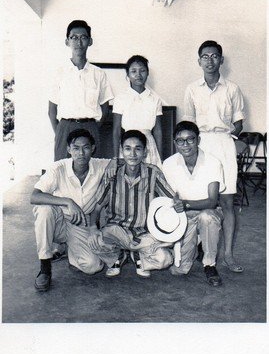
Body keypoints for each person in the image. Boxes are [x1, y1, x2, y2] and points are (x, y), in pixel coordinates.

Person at [183, 40, 245, 272]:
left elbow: (238, 123)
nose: (210, 60)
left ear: (221, 60)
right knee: (202, 197)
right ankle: (201, 248)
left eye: (214, 56)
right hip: (201, 144)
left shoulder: (232, 89)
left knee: (227, 201)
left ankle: (227, 254)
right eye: (205, 57)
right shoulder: (191, 88)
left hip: (224, 145)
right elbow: (188, 122)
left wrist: (228, 138)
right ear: (199, 61)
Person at [30, 129, 117, 292]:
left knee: (92, 266)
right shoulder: (58, 168)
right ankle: (45, 267)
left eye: (85, 147)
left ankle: (68, 248)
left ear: (93, 148)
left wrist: (115, 160)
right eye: (76, 148)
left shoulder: (99, 165)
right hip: (57, 222)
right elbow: (34, 196)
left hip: (80, 224)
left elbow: (125, 162)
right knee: (44, 210)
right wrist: (67, 202)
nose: (81, 153)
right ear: (69, 150)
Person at [88, 130, 182, 278]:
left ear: (145, 152)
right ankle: (118, 257)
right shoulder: (112, 174)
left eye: (138, 148)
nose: (132, 154)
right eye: (127, 148)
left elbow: (171, 199)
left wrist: (177, 202)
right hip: (116, 231)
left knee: (165, 259)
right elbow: (97, 206)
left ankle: (138, 257)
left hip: (144, 233)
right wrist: (93, 227)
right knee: (94, 242)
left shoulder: (153, 173)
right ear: (121, 151)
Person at [163, 121, 224, 287]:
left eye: (190, 139)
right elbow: (169, 196)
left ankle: (209, 264)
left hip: (208, 211)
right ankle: (197, 248)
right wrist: (178, 205)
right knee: (180, 270)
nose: (185, 144)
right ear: (175, 143)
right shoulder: (168, 164)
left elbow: (212, 201)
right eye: (180, 141)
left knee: (207, 218)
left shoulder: (213, 162)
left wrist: (186, 204)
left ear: (198, 140)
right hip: (184, 217)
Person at [49, 20, 114, 161]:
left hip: (90, 127)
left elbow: (105, 108)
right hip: (65, 128)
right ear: (67, 41)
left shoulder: (99, 74)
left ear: (90, 41)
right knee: (63, 172)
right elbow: (51, 110)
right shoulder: (59, 73)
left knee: (93, 173)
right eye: (74, 37)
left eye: (83, 37)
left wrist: (94, 128)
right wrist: (60, 132)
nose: (79, 42)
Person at [112, 55, 163, 168]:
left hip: (148, 145)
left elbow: (158, 131)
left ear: (147, 73)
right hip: (128, 143)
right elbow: (116, 130)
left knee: (150, 177)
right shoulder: (121, 98)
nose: (138, 75)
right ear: (128, 75)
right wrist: (115, 157)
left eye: (142, 71)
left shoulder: (155, 99)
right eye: (133, 71)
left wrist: (160, 157)